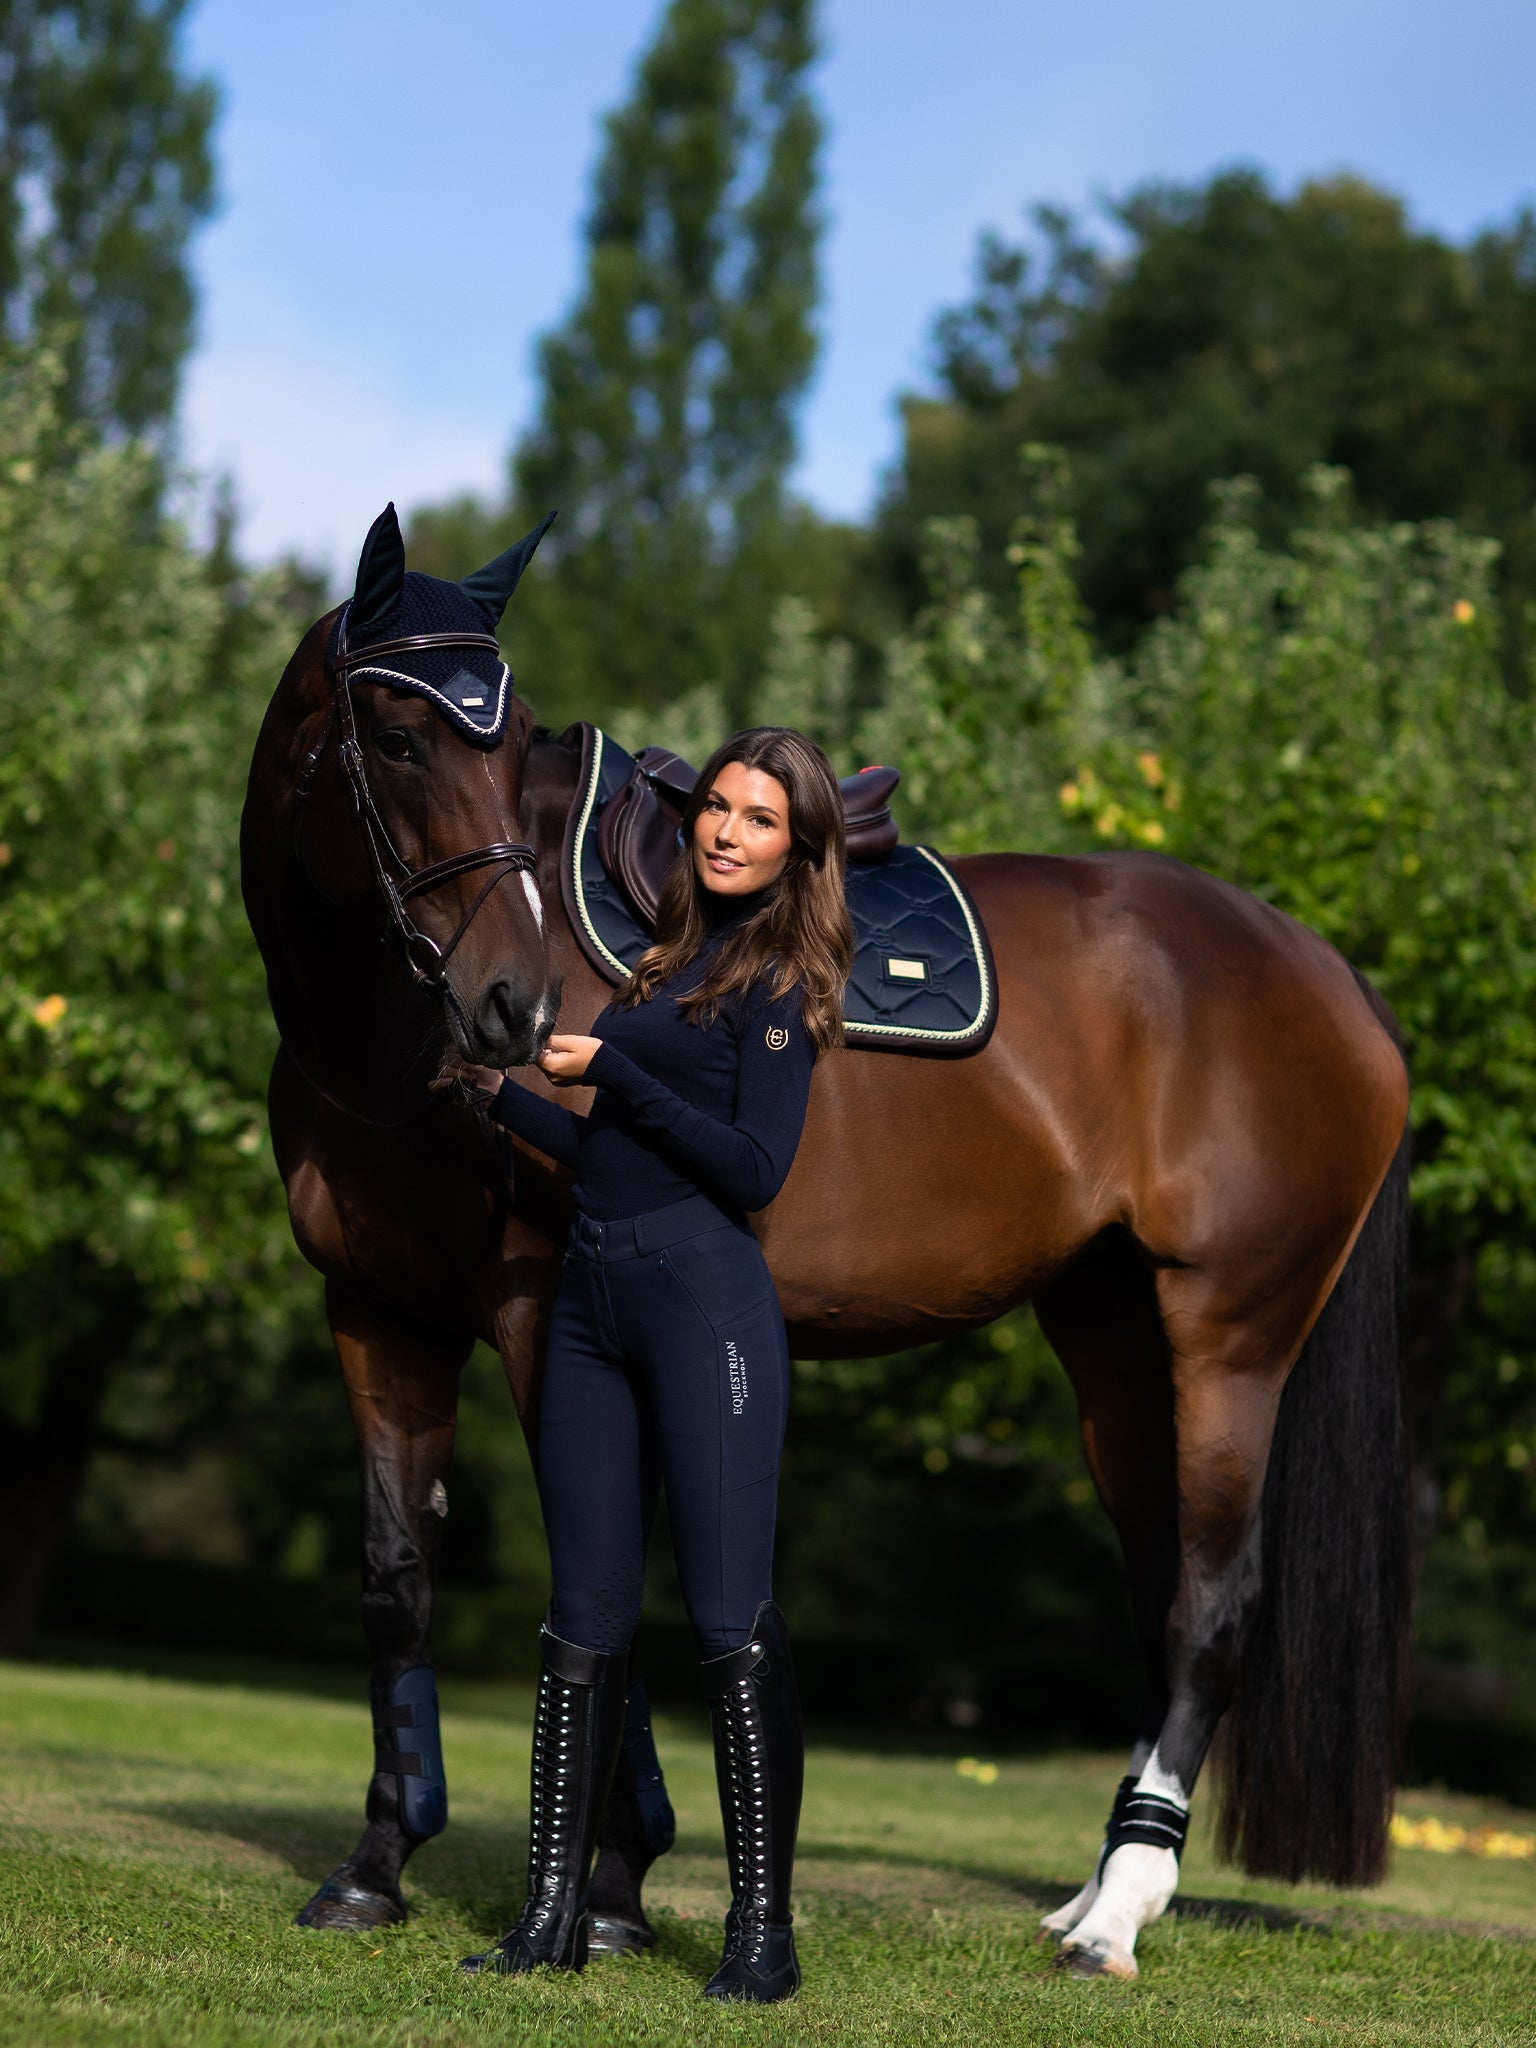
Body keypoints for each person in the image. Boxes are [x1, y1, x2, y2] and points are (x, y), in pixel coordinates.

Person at [453, 727, 854, 2002]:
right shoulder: (663, 961)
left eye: (763, 818)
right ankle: (551, 1914)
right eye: (720, 807)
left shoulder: (782, 982)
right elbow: (612, 1153)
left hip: (705, 1307)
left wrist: (613, 1070)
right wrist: (491, 1096)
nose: (730, 830)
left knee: (729, 1620)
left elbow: (750, 1169)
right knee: (582, 1617)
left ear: (800, 848)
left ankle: (762, 1935)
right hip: (592, 1300)